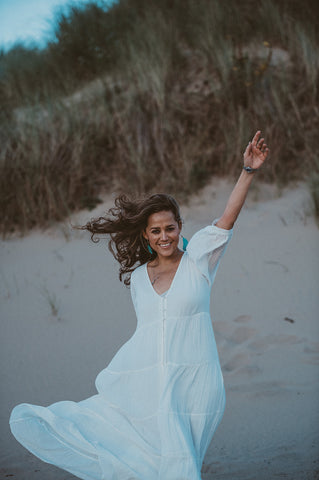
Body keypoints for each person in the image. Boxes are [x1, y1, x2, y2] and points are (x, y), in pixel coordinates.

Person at [9, 131, 269, 479]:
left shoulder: (199, 260)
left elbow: (227, 219)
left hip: (193, 386)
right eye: (156, 231)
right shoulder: (140, 280)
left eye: (170, 228)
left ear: (180, 228)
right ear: (146, 235)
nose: (165, 237)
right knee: (157, 464)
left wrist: (247, 172)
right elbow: (147, 334)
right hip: (151, 387)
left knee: (177, 461)